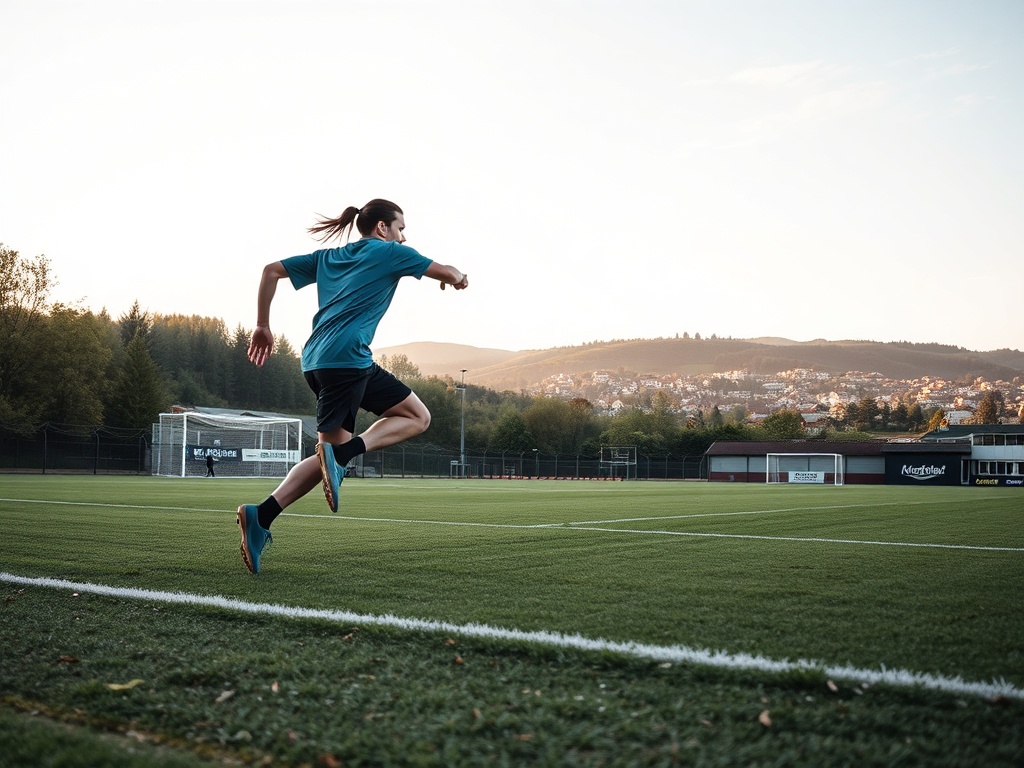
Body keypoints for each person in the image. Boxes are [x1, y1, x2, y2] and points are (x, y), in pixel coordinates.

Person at [236, 199, 469, 574]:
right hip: (347, 361)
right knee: (333, 453)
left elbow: (270, 271)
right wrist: (459, 278)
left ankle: (260, 515)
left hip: (321, 361)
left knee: (416, 415)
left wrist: (262, 324)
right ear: (382, 227)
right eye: (401, 227)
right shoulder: (391, 252)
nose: (403, 235)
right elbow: (449, 271)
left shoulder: (327, 258)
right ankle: (313, 479)